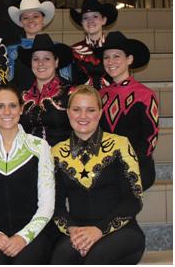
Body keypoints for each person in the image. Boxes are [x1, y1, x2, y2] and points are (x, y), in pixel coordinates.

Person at [51, 85, 145, 264]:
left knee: (95, 258)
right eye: (77, 110)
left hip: (121, 231)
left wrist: (98, 230)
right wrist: (74, 230)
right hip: (77, 231)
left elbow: (133, 199)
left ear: (100, 113)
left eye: (90, 110)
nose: (83, 116)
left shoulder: (120, 145)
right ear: (68, 112)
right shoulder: (57, 152)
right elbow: (56, 205)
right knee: (60, 257)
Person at [0, 84, 55, 264]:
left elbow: (47, 204)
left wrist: (23, 237)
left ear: (21, 109)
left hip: (34, 233)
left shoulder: (40, 147)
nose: (7, 111)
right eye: (0, 106)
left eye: (13, 105)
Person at [96, 31, 159, 190]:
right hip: (107, 165)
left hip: (138, 165)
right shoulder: (100, 95)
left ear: (129, 59)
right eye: (106, 57)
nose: (110, 61)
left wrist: (126, 161)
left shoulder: (144, 95)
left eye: (116, 56)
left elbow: (150, 138)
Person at [18, 34, 73, 147]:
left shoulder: (71, 93)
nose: (40, 63)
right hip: (28, 158)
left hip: (61, 159)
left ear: (56, 62)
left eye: (46, 58)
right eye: (36, 59)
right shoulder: (21, 95)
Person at [7, 0, 71, 91]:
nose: (31, 21)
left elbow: (65, 81)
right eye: (25, 18)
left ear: (43, 19)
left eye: (35, 16)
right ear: (20, 22)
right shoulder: (10, 52)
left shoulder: (59, 50)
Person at [70, 0, 118, 89]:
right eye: (85, 17)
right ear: (82, 22)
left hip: (112, 99)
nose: (90, 21)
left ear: (103, 20)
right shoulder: (73, 50)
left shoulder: (116, 47)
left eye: (95, 16)